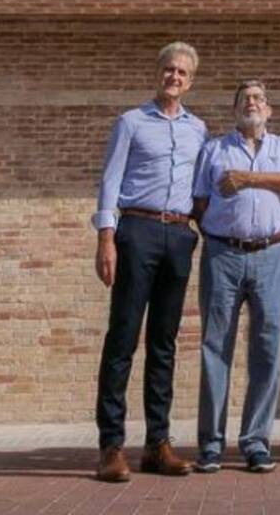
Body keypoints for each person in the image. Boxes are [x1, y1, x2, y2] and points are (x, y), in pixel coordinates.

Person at [93, 42, 207, 484]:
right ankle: (110, 447)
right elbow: (110, 179)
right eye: (168, 69)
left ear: (190, 81)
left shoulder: (199, 129)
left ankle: (157, 444)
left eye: (182, 72)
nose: (174, 77)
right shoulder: (131, 122)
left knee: (165, 342)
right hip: (135, 231)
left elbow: (202, 188)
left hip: (179, 235)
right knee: (123, 337)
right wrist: (106, 237)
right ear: (157, 72)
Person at [190, 79, 280, 474]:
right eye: (244, 99)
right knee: (214, 346)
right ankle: (210, 444)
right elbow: (200, 202)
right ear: (235, 109)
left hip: (272, 252)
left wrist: (250, 179)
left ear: (269, 110)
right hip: (222, 253)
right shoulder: (213, 150)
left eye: (258, 99)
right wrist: (220, 233)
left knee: (267, 347)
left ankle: (256, 441)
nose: (252, 104)